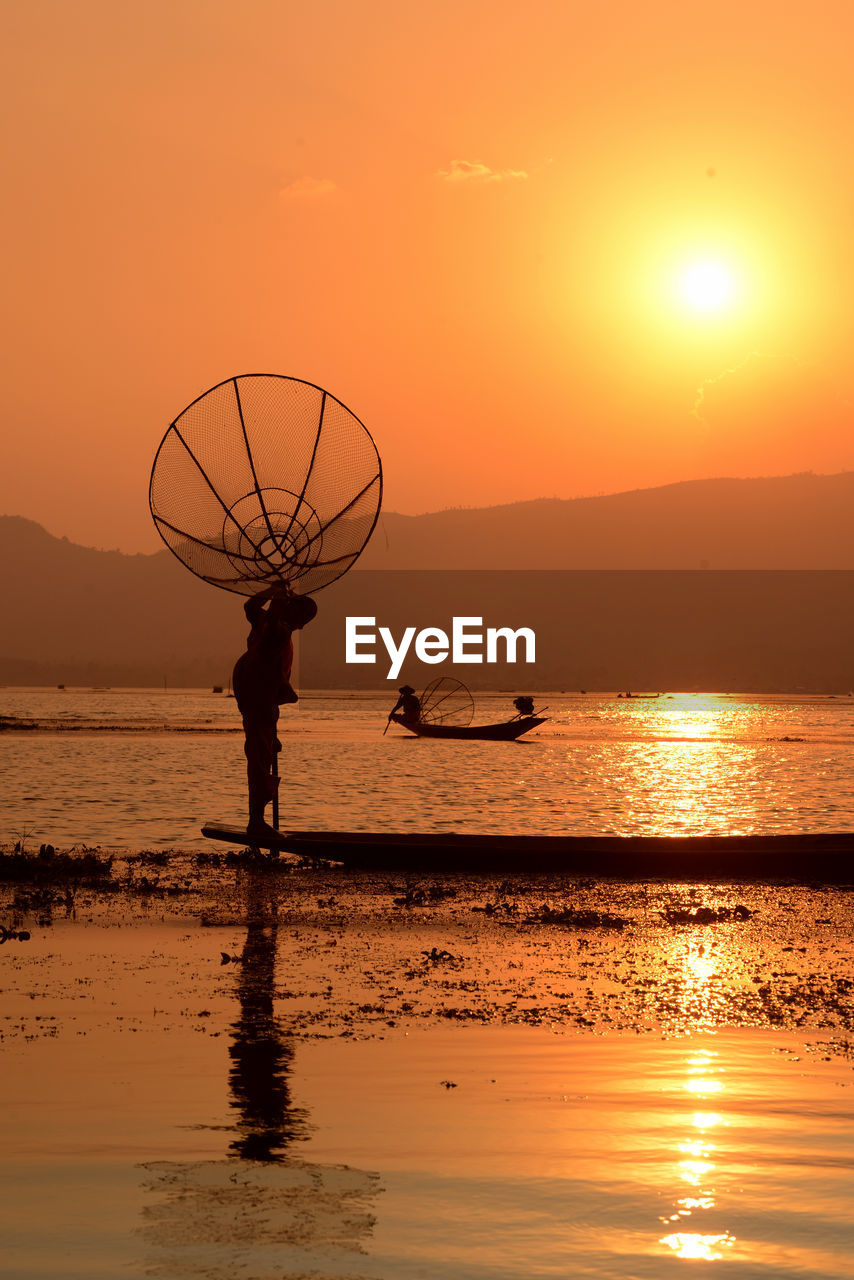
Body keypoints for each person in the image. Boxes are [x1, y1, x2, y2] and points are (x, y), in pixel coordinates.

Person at [232, 584, 317, 836]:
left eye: (297, 610)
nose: (291, 609)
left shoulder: (280, 630)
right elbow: (252, 608)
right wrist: (273, 592)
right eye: (293, 605)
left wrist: (277, 595)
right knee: (259, 758)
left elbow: (255, 612)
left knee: (263, 754)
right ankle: (256, 821)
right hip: (255, 696)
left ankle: (257, 820)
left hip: (262, 699)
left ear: (301, 622)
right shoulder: (273, 626)